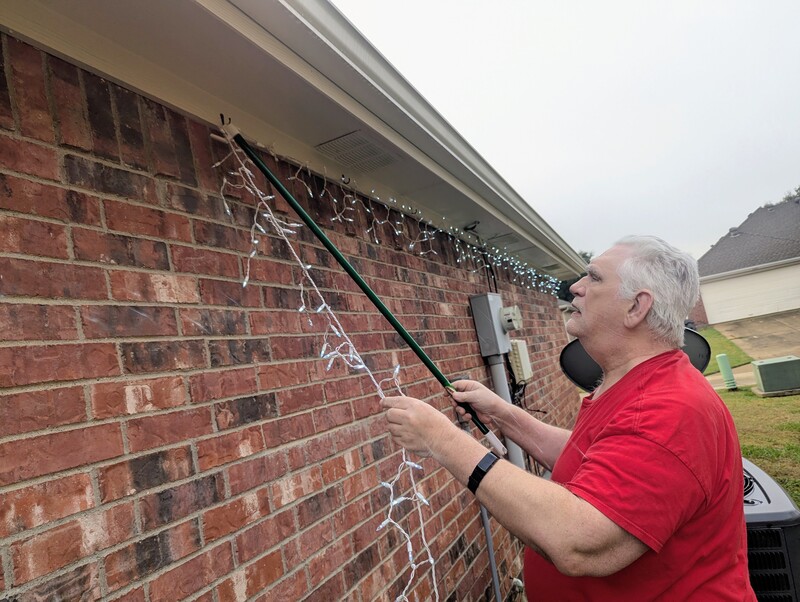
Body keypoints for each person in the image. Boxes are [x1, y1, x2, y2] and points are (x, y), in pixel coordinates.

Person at [381, 235, 755, 600]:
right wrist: (502, 413)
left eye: (594, 278)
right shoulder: (634, 384)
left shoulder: (668, 407)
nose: (575, 287)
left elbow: (577, 541)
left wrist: (440, 439)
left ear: (636, 307)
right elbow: (592, 459)